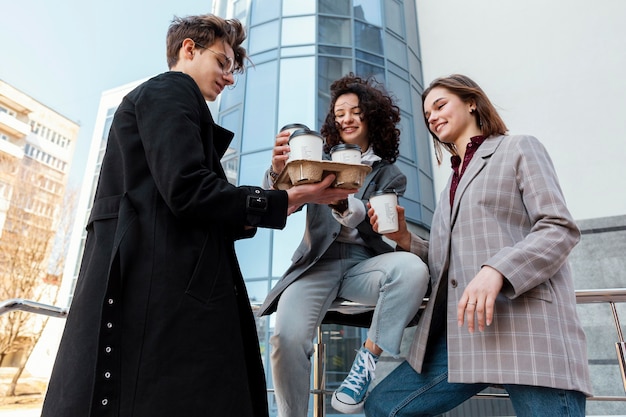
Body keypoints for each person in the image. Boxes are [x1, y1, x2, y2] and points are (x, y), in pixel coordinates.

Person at [41, 14, 354, 417]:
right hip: (159, 288)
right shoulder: (171, 90)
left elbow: (196, 202)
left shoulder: (171, 101)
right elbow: (187, 188)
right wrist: (282, 200)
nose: (229, 78)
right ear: (189, 49)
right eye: (223, 63)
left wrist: (286, 195)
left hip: (161, 282)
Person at [364, 74, 592, 416]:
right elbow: (445, 263)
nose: (434, 117)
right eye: (428, 116)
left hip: (527, 325)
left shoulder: (518, 148)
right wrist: (405, 239)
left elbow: (559, 228)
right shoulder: (449, 188)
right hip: (466, 334)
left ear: (472, 102)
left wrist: (498, 269)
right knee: (385, 406)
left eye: (441, 105)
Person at [257, 73, 430, 416]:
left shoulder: (388, 174)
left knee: (413, 267)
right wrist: (277, 171)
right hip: (316, 264)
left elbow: (376, 226)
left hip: (363, 265)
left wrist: (346, 206)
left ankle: (364, 366)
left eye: (354, 111)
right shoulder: (316, 161)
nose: (346, 119)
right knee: (286, 340)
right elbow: (283, 199)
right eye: (339, 114)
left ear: (371, 115)